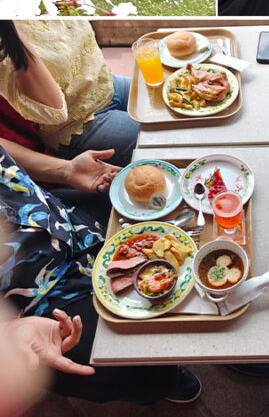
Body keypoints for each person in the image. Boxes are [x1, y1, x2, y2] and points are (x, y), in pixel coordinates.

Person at [0, 143, 201, 404]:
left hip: (63, 219)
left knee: (177, 218)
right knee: (134, 360)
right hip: (34, 304)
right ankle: (162, 381)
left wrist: (66, 169)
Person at [0, 20, 139, 166]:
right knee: (163, 136)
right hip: (78, 125)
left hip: (107, 83)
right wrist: (10, 29)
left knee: (165, 105)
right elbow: (55, 113)